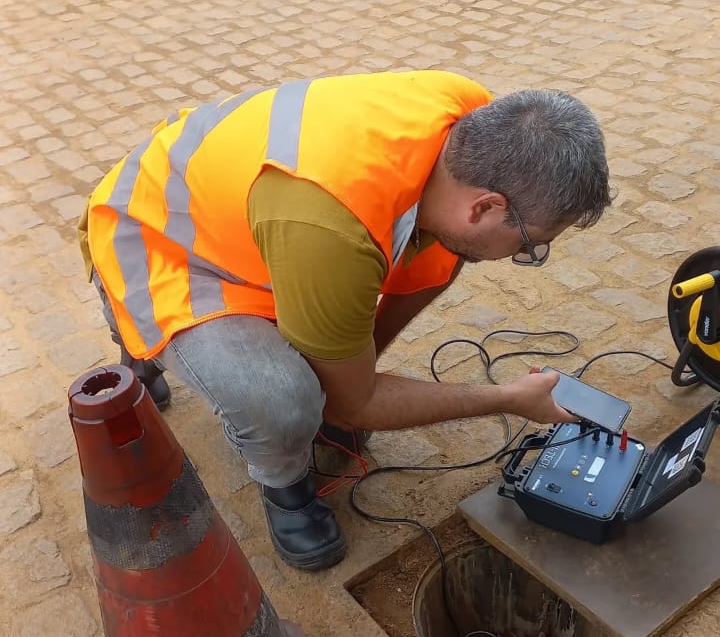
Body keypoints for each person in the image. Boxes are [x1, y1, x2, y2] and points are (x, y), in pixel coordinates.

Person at [78, 69, 611, 572]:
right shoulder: (330, 226)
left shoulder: (470, 126)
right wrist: (508, 399)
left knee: (444, 258)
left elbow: (428, 267)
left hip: (261, 231)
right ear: (484, 208)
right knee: (284, 401)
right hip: (164, 244)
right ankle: (281, 482)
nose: (526, 257)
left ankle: (308, 364)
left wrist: (354, 371)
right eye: (531, 246)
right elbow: (353, 405)